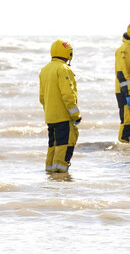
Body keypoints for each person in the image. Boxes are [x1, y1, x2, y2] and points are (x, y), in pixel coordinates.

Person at [39, 39, 81, 173]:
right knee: (64, 146)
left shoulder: (44, 70)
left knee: (53, 146)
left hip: (50, 117)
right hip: (64, 117)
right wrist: (75, 115)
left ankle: (50, 174)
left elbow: (42, 97)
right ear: (69, 54)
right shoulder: (63, 69)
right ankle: (60, 177)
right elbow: (68, 95)